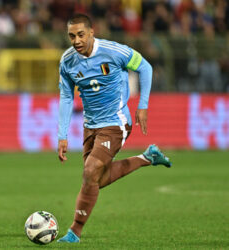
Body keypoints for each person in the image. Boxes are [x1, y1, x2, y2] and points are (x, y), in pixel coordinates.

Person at [57, 13, 171, 243]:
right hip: (91, 126)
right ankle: (147, 158)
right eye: (72, 36)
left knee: (90, 172)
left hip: (116, 122)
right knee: (96, 179)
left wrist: (143, 106)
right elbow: (66, 96)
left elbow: (145, 68)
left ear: (91, 32)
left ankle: (74, 232)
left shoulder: (114, 51)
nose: (76, 41)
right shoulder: (67, 61)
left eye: (80, 34)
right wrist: (62, 135)